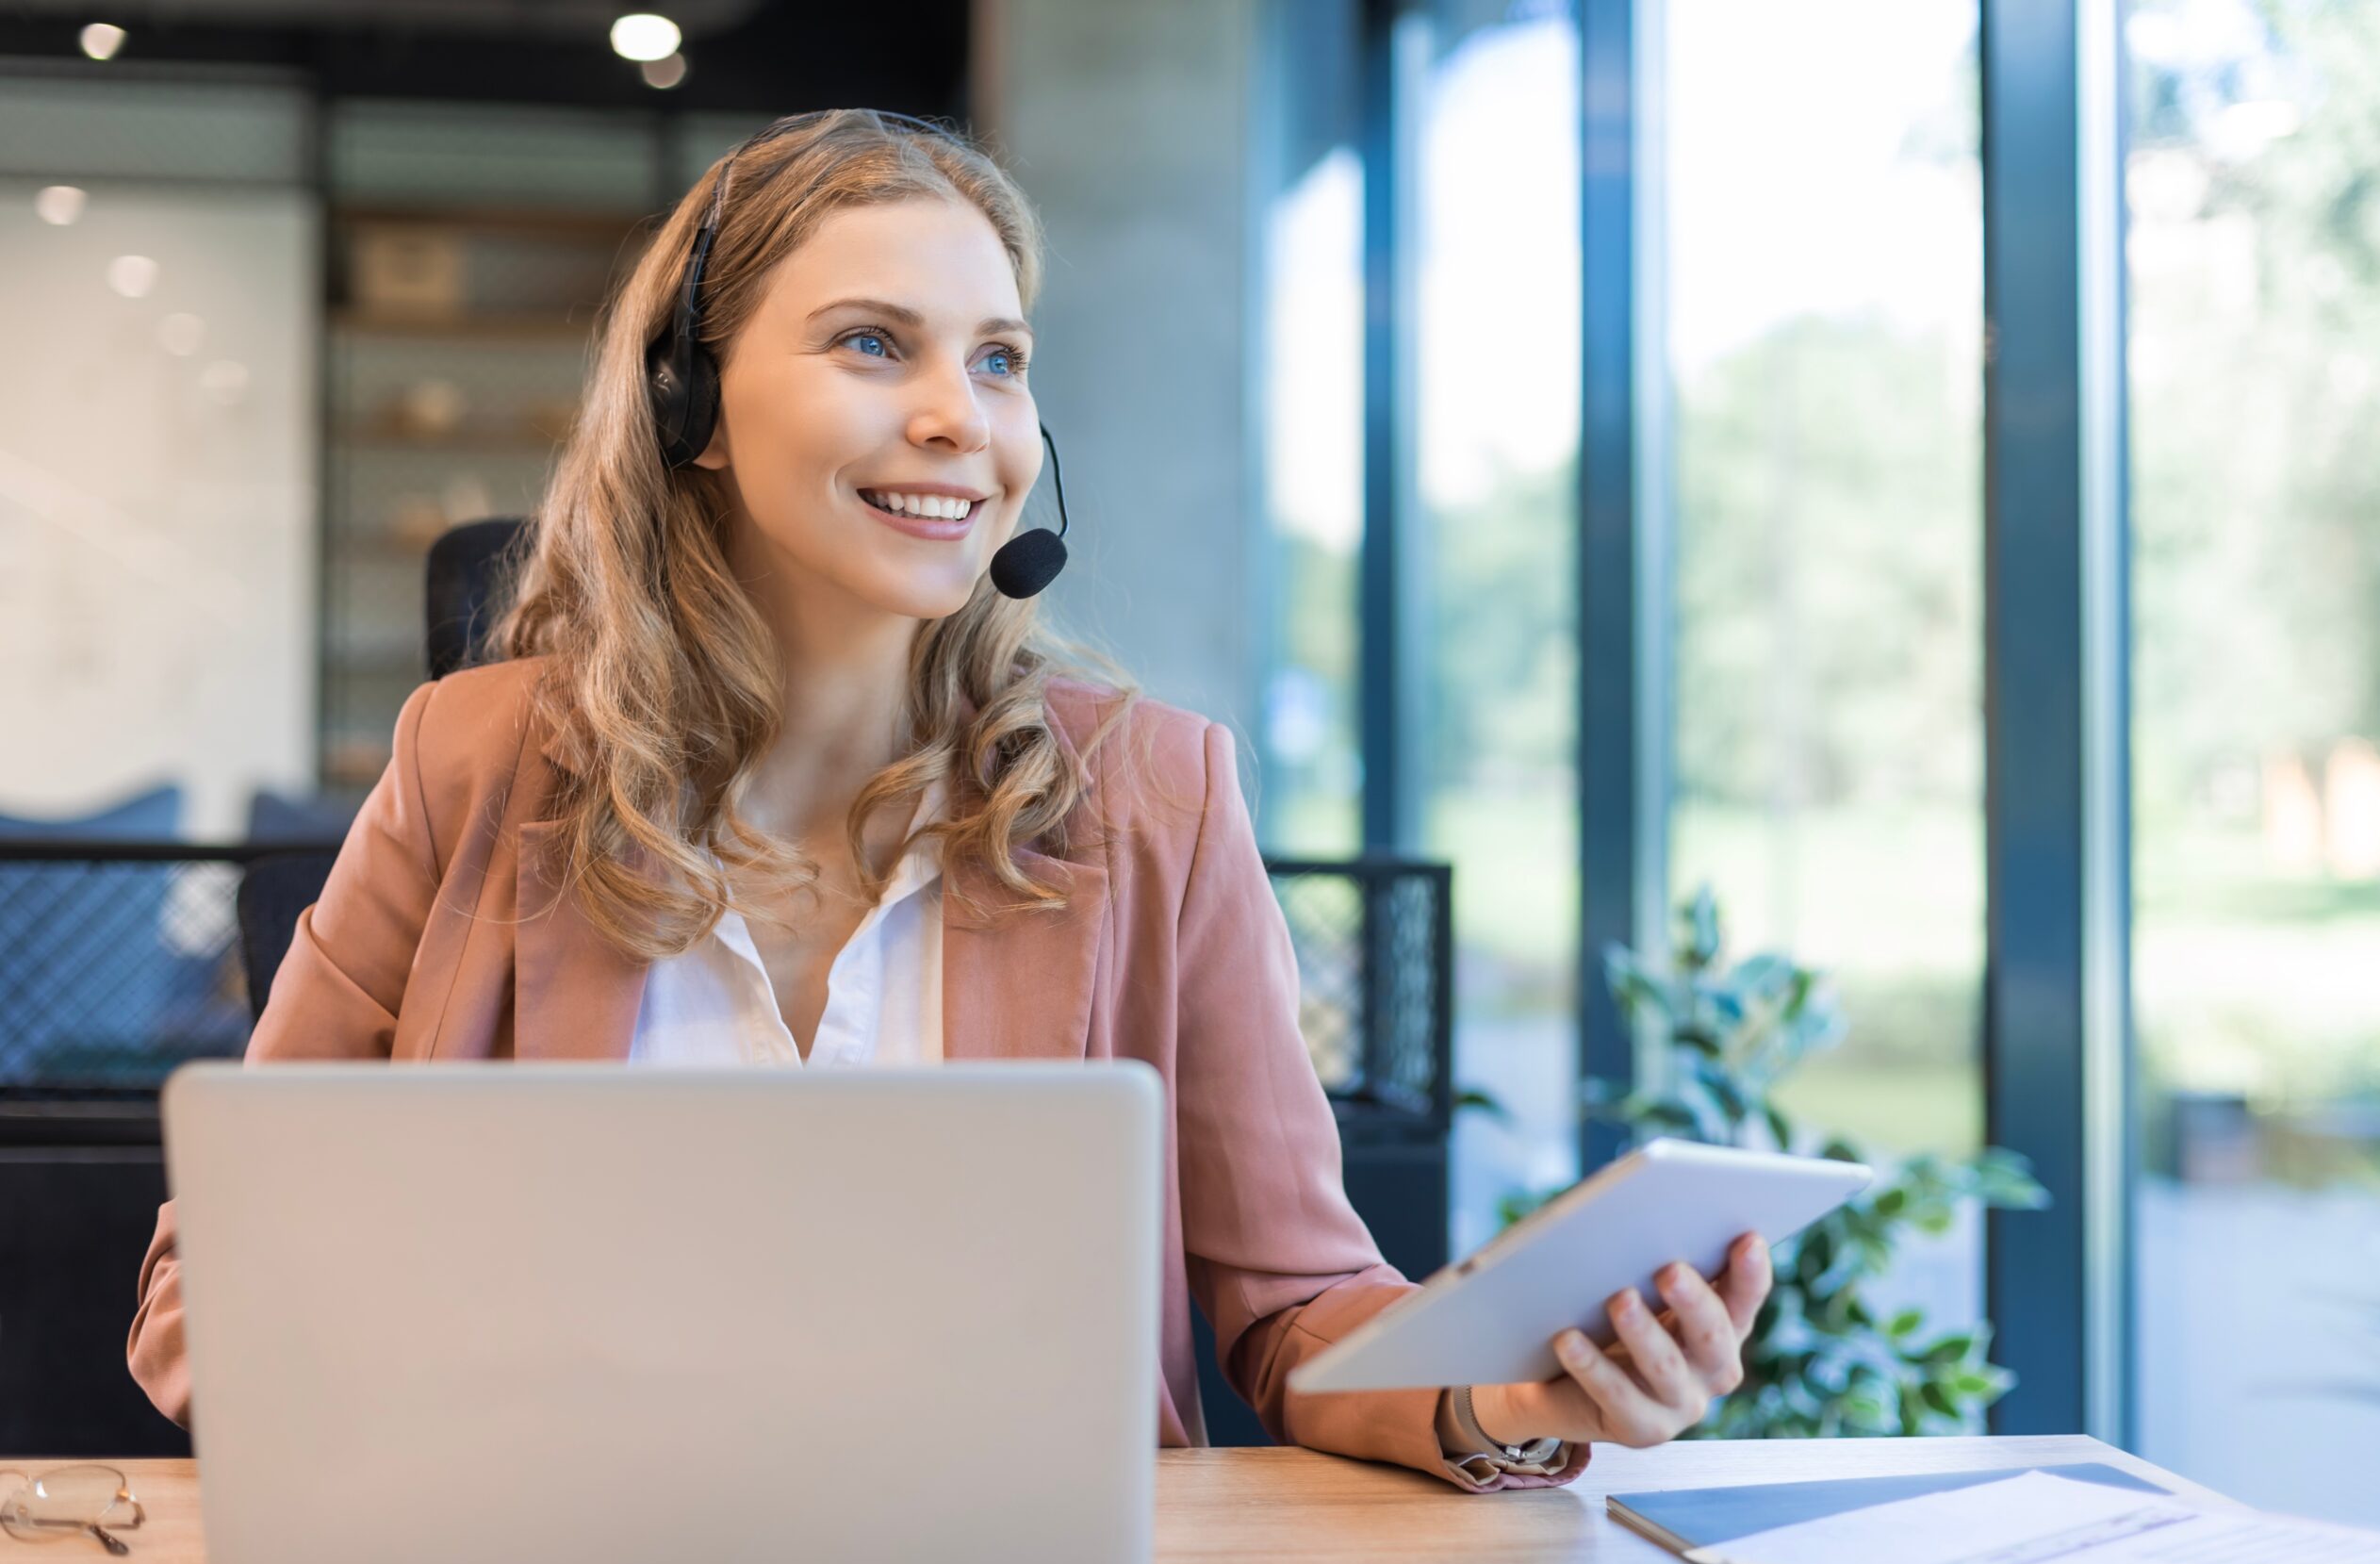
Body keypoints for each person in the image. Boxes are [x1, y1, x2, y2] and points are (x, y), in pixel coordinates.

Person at [127, 107, 1769, 1492]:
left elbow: (1297, 1307)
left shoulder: (1153, 795)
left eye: (997, 360)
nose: (957, 419)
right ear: (689, 407)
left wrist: (1508, 1401)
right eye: (871, 343)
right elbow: (213, 1283)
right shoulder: (471, 762)